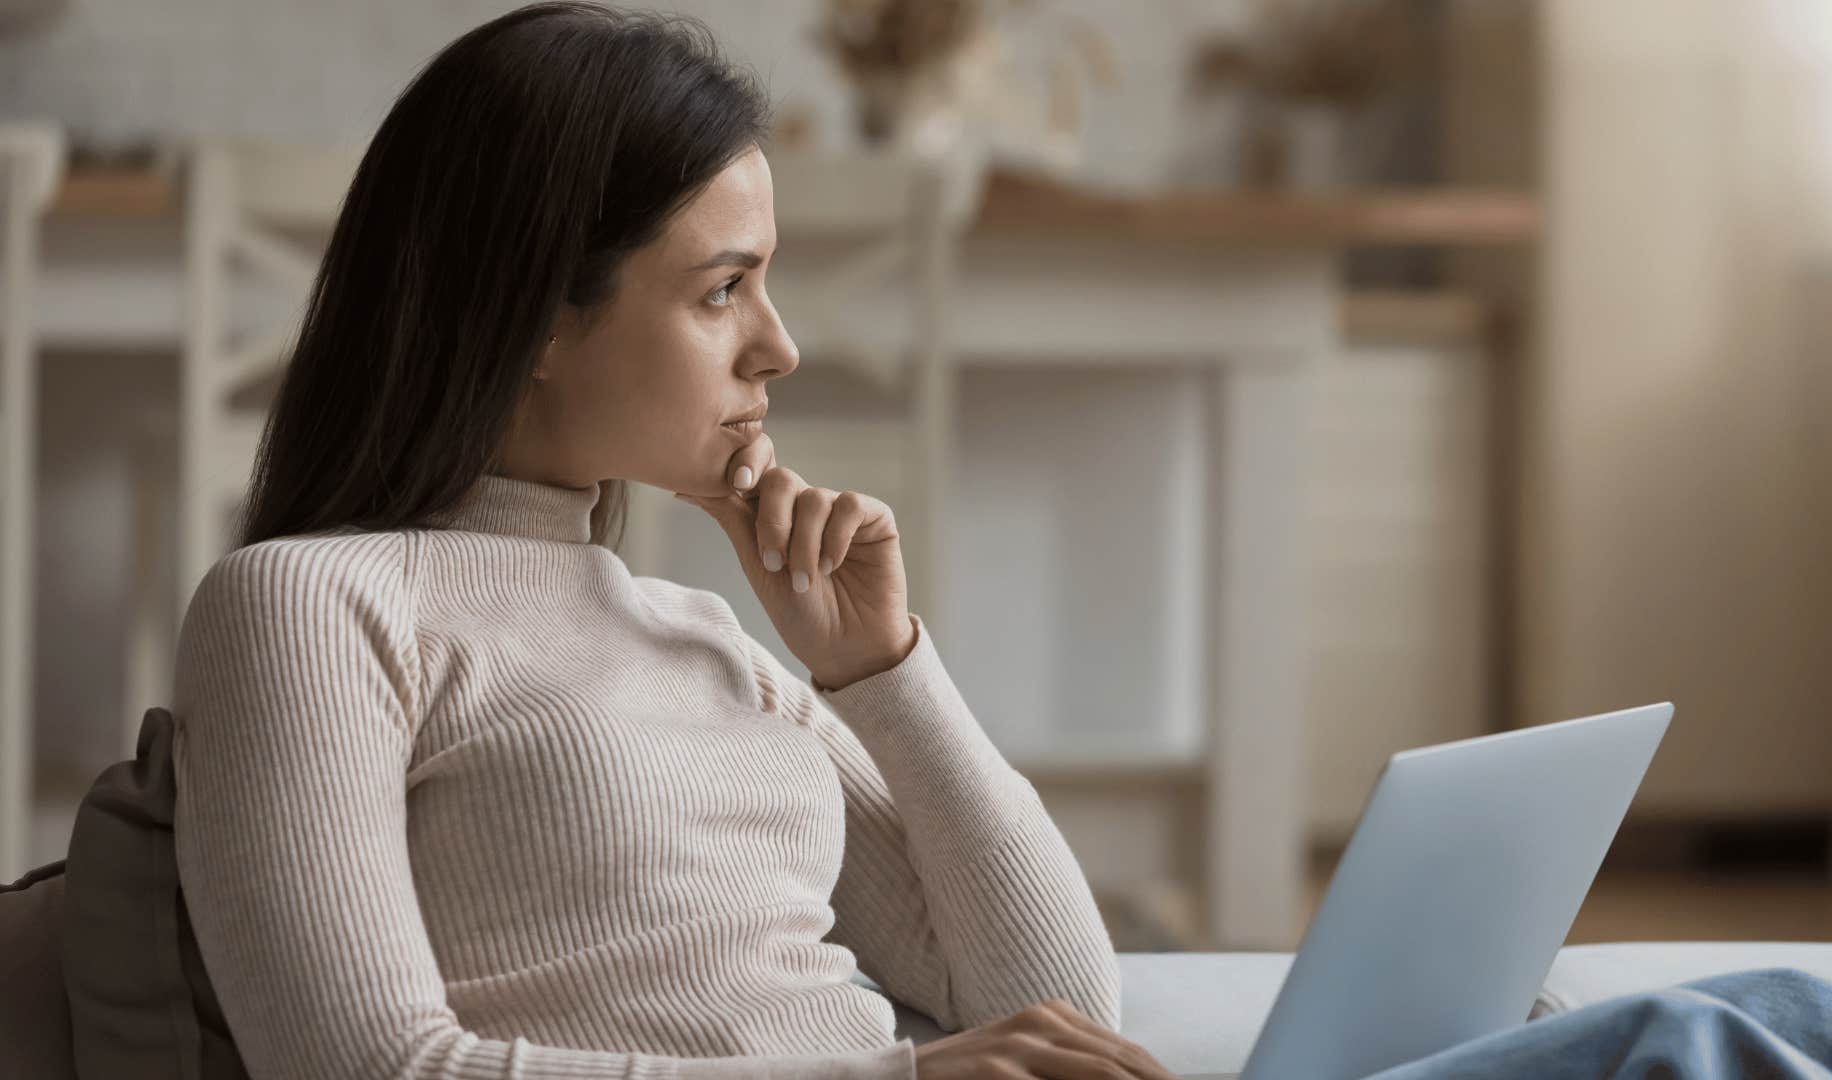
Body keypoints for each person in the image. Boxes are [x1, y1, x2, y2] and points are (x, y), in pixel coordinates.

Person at [173, 3, 1175, 1077]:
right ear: (543, 314)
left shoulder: (710, 644)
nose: (779, 348)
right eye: (723, 290)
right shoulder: (310, 605)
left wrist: (879, 671)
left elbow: (1062, 1008)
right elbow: (366, 1067)